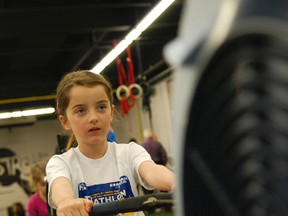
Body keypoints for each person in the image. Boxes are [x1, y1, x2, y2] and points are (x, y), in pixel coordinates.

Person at [46, 70, 175, 216]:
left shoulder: (130, 152)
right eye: (81, 110)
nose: (93, 117)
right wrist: (66, 201)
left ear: (111, 113)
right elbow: (60, 187)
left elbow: (151, 171)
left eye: (101, 107)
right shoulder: (60, 163)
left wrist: (175, 181)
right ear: (65, 121)